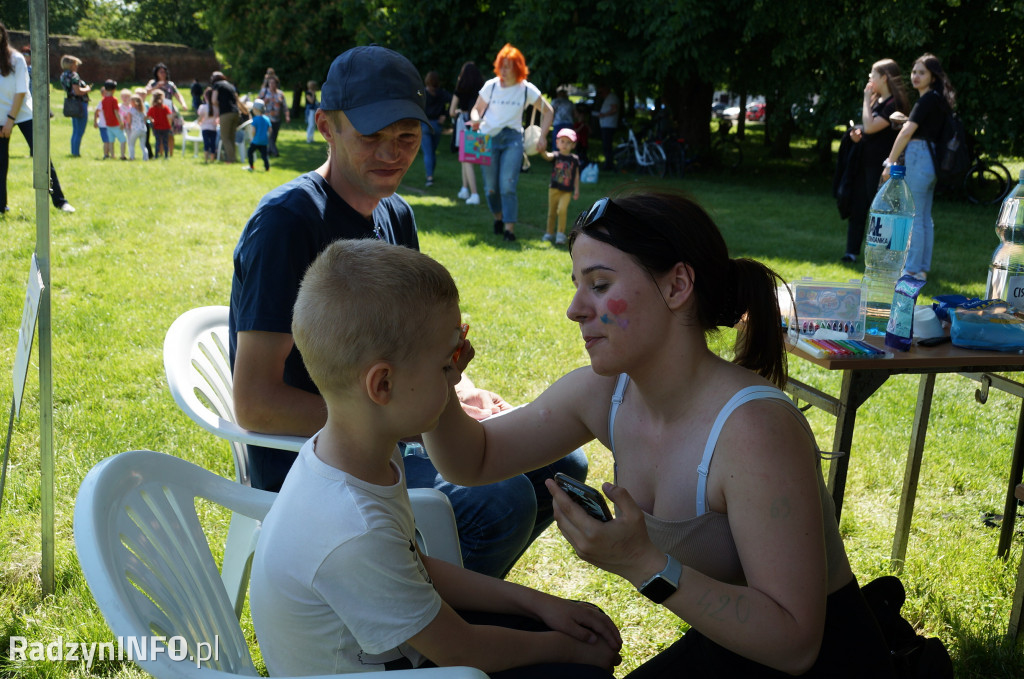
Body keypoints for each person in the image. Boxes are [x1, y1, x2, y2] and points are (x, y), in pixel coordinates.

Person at [423, 191, 901, 678]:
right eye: (577, 285)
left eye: (600, 284)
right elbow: (473, 460)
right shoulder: (607, 393)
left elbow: (796, 643)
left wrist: (642, 562)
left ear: (676, 286)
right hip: (734, 649)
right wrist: (436, 380)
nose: (575, 308)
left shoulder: (755, 431)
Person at [229, 44, 588, 579]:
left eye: (406, 137)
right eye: (371, 136)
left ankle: (436, 607)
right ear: (326, 126)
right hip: (315, 458)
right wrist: (413, 424)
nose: (391, 153)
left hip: (389, 427)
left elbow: (413, 348)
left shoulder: (395, 215)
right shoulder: (289, 223)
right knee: (501, 502)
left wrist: (458, 392)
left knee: (564, 466)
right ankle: (416, 639)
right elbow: (256, 404)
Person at [249, 238, 621, 678]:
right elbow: (464, 651)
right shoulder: (352, 527)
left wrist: (540, 603)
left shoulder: (353, 456)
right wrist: (571, 651)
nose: (457, 376)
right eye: (447, 365)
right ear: (382, 385)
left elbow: (413, 567)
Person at [882, 53, 956, 281]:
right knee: (923, 216)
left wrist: (890, 162)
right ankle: (921, 267)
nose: (915, 76)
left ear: (933, 76)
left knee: (914, 214)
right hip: (930, 159)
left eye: (921, 72)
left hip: (920, 157)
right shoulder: (936, 99)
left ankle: (912, 269)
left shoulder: (927, 100)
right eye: (914, 71)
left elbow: (907, 133)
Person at [470, 43, 552, 241]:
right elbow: (476, 109)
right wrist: (474, 119)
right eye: (501, 66)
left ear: (518, 67)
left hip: (513, 140)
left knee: (507, 185)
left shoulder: (526, 90)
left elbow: (549, 111)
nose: (503, 70)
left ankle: (509, 230)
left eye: (508, 66)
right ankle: (497, 218)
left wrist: (543, 137)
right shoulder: (491, 86)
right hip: (487, 139)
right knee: (491, 188)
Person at [0, 22, 75, 213]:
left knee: (42, 159)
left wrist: (10, 119)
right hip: (1, 116)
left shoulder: (16, 58)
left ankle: (60, 201)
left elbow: (21, 91)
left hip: (22, 112)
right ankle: (1, 206)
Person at [841, 59, 909, 264]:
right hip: (865, 163)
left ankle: (882, 256)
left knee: (881, 212)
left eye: (873, 74)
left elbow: (871, 127)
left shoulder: (894, 105)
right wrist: (857, 132)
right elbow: (867, 127)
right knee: (858, 207)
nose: (869, 78)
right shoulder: (879, 102)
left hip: (883, 168)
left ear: (884, 78)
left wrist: (865, 97)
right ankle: (851, 252)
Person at [449, 61, 484, 205]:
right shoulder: (481, 89)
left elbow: (451, 111)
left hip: (463, 123)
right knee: (466, 159)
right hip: (478, 124)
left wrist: (458, 112)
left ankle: (474, 193)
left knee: (466, 159)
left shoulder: (460, 88)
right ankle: (464, 189)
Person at [539, 128, 580, 245]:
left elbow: (576, 176)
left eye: (568, 142)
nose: (565, 145)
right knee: (551, 212)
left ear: (573, 145)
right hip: (554, 189)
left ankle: (560, 234)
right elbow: (547, 156)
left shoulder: (574, 159)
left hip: (567, 191)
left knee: (562, 210)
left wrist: (577, 190)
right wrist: (542, 151)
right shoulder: (556, 155)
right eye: (562, 141)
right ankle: (549, 232)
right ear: (557, 142)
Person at [145, 63, 186, 157]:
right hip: (157, 112)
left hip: (169, 111)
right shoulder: (152, 83)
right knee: (159, 134)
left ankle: (170, 154)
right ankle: (160, 153)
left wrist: (183, 104)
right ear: (156, 73)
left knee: (170, 133)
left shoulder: (170, 84)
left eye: (164, 72)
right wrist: (156, 87)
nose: (163, 74)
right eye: (161, 72)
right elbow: (145, 93)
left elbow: (177, 95)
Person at [419, 70, 450, 188]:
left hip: (426, 124)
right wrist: (445, 114)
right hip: (436, 125)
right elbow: (453, 100)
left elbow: (415, 96)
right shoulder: (441, 93)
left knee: (428, 152)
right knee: (432, 152)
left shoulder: (422, 93)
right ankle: (430, 175)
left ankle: (429, 177)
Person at [59, 54, 90, 157]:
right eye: (75, 64)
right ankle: (76, 153)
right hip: (80, 104)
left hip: (71, 103)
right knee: (80, 130)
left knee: (75, 130)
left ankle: (73, 151)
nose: (77, 66)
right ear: (71, 65)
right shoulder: (74, 75)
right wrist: (87, 89)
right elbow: (77, 91)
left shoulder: (63, 75)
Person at [210, 71, 240, 162]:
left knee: (225, 137)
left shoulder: (217, 85)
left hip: (226, 113)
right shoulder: (230, 85)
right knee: (231, 137)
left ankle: (231, 159)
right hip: (236, 113)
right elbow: (236, 98)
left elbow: (214, 100)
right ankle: (233, 158)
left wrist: (221, 105)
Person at [260, 75, 288, 157]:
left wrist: (287, 116)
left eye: (273, 83)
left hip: (277, 118)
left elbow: (285, 106)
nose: (271, 85)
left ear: (276, 84)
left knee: (274, 136)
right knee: (270, 135)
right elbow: (257, 103)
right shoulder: (264, 92)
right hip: (266, 117)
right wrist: (264, 102)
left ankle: (269, 151)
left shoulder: (280, 93)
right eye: (270, 83)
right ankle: (276, 153)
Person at [99, 80, 126, 160]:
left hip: (108, 123)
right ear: (114, 89)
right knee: (123, 139)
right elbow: (116, 112)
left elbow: (103, 112)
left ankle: (112, 155)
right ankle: (122, 155)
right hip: (115, 123)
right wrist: (120, 122)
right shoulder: (114, 99)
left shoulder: (103, 100)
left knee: (111, 140)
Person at [594, 85, 619, 171]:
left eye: (601, 92)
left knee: (607, 145)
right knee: (606, 145)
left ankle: (609, 164)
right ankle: (608, 163)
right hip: (606, 125)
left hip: (609, 125)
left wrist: (604, 115)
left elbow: (614, 109)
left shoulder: (612, 97)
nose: (600, 94)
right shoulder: (609, 97)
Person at [245, 99, 271, 172]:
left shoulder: (255, 119)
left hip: (256, 140)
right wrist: (267, 137)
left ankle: (251, 166)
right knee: (264, 156)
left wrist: (253, 138)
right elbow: (270, 130)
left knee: (250, 152)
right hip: (264, 141)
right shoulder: (267, 119)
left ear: (256, 109)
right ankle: (267, 168)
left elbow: (253, 131)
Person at [147, 90, 172, 159]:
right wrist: (170, 125)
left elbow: (148, 118)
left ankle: (156, 155)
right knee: (165, 142)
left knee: (158, 142)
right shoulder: (165, 107)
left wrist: (152, 122)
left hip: (156, 127)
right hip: (166, 127)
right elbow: (169, 117)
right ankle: (166, 155)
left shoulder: (152, 108)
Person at [550, 86, 575, 150]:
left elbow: (551, 112)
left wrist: (550, 122)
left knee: (557, 140)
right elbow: (574, 113)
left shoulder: (555, 101)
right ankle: (564, 154)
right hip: (568, 123)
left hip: (558, 123)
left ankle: (556, 155)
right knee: (567, 140)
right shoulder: (570, 102)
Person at [197, 87, 217, 163]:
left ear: (205, 96)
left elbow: (200, 117)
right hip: (213, 128)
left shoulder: (202, 107)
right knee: (213, 144)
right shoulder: (216, 108)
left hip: (205, 128)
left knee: (206, 143)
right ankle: (212, 159)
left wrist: (199, 122)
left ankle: (205, 159)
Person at [125, 94, 148, 160]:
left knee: (131, 144)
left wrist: (127, 121)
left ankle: (132, 157)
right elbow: (145, 119)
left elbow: (129, 121)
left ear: (134, 102)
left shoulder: (131, 110)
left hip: (135, 130)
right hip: (143, 129)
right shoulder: (143, 110)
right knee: (143, 145)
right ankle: (146, 158)